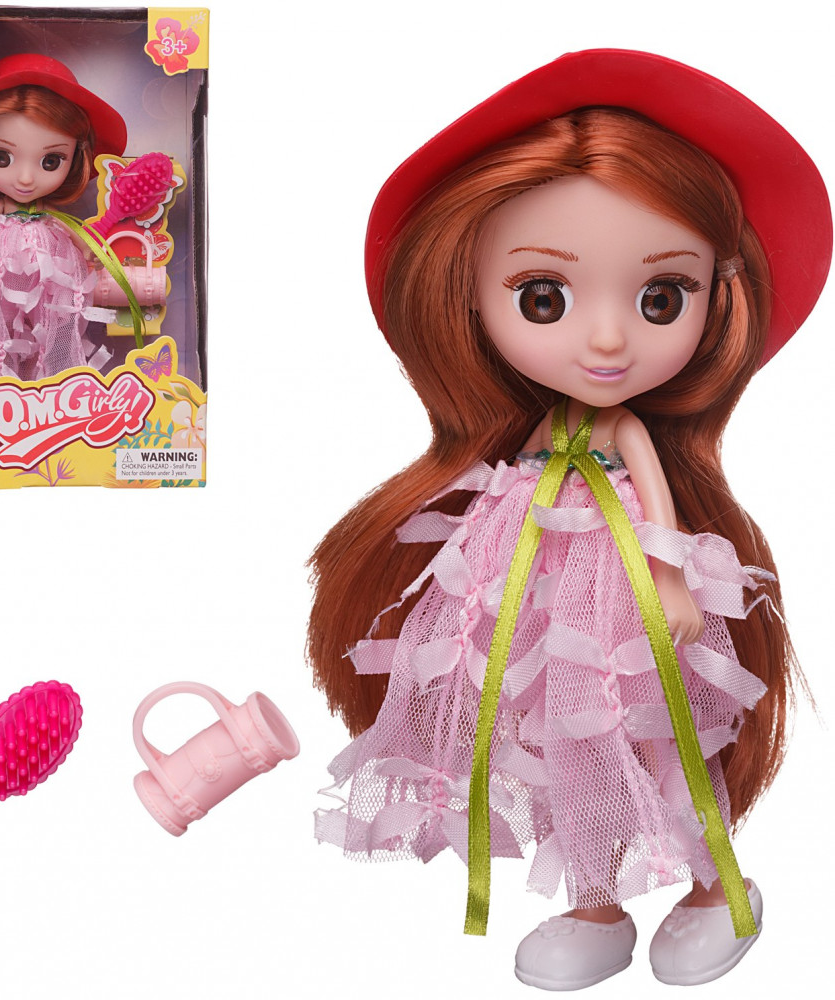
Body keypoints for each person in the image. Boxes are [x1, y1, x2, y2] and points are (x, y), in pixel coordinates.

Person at [308, 50, 831, 989]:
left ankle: (715, 887)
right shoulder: (532, 434)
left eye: (660, 298)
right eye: (542, 297)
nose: (606, 337)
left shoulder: (622, 432)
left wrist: (670, 580)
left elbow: (655, 505)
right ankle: (594, 905)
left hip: (625, 603)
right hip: (544, 609)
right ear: (466, 292)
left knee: (654, 734)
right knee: (562, 747)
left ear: (717, 296)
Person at [0, 53, 128, 378]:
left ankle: (44, 376)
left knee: (47, 324)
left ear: (76, 156)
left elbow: (73, 232)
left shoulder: (51, 217)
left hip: (49, 273)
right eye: (1, 157)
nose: (25, 178)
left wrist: (90, 250)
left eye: (51, 161)